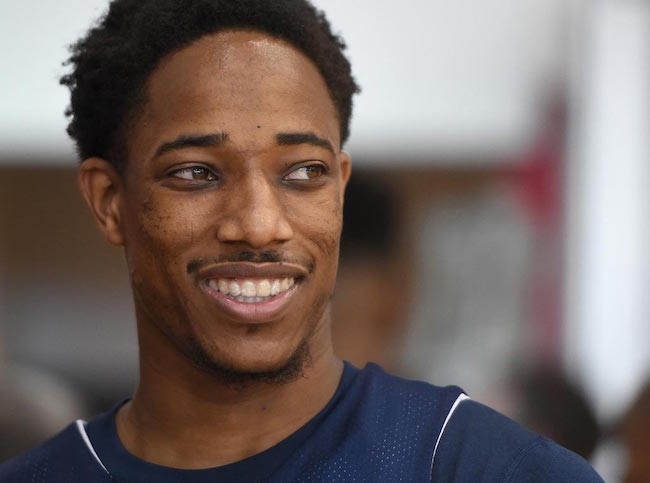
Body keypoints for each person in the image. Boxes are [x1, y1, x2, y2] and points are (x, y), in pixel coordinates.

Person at [0, 1, 603, 481]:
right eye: (196, 173)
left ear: (337, 189)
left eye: (303, 173)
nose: (261, 224)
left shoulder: (480, 468)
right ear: (110, 202)